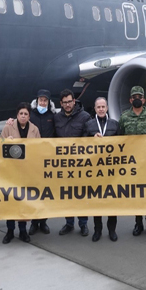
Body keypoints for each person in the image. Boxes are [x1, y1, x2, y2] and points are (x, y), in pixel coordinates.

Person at [118, 86, 146, 236]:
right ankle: (138, 223)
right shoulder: (124, 117)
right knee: (136, 194)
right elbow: (120, 138)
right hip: (132, 163)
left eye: (139, 97)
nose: (137, 99)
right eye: (134, 97)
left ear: (144, 99)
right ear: (130, 100)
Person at [0, 102, 41, 243]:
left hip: (27, 171)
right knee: (11, 201)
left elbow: (39, 148)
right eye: (21, 114)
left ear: (29, 116)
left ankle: (23, 230)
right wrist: (6, 141)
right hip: (11, 171)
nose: (23, 116)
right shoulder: (8, 127)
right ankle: (10, 230)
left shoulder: (34, 130)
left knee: (23, 202)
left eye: (26, 114)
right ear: (17, 115)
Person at [54, 89, 91, 236]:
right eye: (65, 102)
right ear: (61, 103)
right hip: (64, 164)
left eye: (70, 101)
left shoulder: (85, 117)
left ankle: (83, 224)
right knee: (66, 195)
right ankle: (69, 223)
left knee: (80, 195)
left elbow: (88, 140)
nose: (68, 105)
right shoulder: (57, 118)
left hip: (80, 164)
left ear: (74, 101)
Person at [83, 97, 120, 242]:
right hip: (95, 170)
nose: (101, 109)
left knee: (112, 201)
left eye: (103, 106)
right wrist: (92, 138)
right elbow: (81, 143)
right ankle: (97, 230)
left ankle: (112, 230)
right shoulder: (89, 125)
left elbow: (123, 145)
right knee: (97, 201)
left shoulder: (114, 124)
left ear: (107, 108)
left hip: (111, 170)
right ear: (95, 108)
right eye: (98, 107)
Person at [28, 89, 55, 235]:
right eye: (41, 100)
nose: (43, 103)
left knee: (45, 192)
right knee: (34, 191)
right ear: (37, 100)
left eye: (45, 100)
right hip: (33, 158)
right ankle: (34, 222)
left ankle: (43, 222)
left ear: (48, 102)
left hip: (47, 158)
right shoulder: (30, 114)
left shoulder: (53, 116)